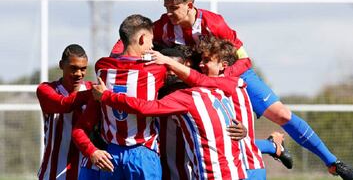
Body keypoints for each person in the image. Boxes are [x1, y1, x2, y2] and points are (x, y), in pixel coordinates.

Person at [152, 0, 353, 179]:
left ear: (190, 5)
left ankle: (333, 162)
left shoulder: (213, 23)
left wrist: (224, 80)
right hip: (203, 80)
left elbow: (244, 60)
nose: (168, 13)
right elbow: (134, 40)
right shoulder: (162, 26)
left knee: (282, 114)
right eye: (166, 7)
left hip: (233, 75)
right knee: (216, 136)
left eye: (174, 7)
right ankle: (272, 146)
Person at [91, 61, 250, 179]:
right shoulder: (225, 88)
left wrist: (107, 96)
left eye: (207, 59)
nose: (202, 64)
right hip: (232, 173)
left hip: (211, 175)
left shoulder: (190, 97)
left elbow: (145, 108)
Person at [72, 14, 166, 180]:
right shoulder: (156, 70)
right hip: (143, 153)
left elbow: (119, 55)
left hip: (112, 154)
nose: (152, 47)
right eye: (151, 41)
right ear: (143, 38)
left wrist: (91, 151)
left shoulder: (102, 68)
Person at [36, 44, 97, 180]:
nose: (78, 74)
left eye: (83, 69)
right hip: (53, 173)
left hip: (86, 172)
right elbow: (64, 104)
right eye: (73, 68)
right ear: (61, 65)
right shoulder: (46, 90)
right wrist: (95, 94)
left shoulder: (92, 89)